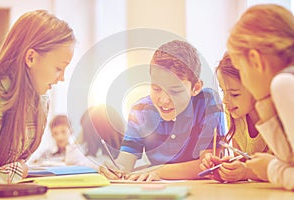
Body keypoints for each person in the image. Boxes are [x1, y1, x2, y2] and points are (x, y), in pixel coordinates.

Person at [99, 40, 226, 181]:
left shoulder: (208, 102)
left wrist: (159, 171)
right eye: (156, 89)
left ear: (195, 88)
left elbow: (208, 166)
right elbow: (124, 163)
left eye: (175, 91)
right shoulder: (140, 111)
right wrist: (115, 168)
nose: (164, 100)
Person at [0, 10, 75, 183]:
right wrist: (15, 172)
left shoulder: (39, 102)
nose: (62, 78)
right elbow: (17, 168)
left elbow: (18, 163)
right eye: (59, 68)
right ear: (31, 57)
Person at [227, 4, 294, 190]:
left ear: (256, 60)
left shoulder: (284, 83)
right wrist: (264, 103)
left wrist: (270, 169)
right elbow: (289, 159)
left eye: (241, 70)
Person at [200, 53, 271, 182]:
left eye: (234, 94)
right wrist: (227, 169)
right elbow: (243, 163)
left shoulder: (276, 120)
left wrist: (245, 172)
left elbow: (283, 170)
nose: (225, 101)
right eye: (223, 91)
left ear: (256, 88)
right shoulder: (234, 115)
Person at [66, 104, 124, 170]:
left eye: (84, 130)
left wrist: (85, 129)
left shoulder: (103, 161)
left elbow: (71, 159)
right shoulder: (116, 153)